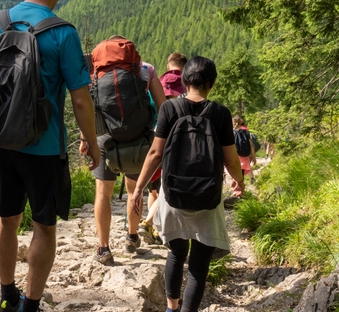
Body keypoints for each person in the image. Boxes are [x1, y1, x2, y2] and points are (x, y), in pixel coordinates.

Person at [0, 0, 100, 312]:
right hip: (44, 147)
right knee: (44, 227)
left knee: (6, 220)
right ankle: (31, 304)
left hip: (2, 141)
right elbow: (81, 101)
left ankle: (7, 293)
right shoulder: (63, 33)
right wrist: (93, 144)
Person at [127, 56, 245, 312]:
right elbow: (231, 159)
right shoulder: (221, 114)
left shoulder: (169, 110)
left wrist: (138, 189)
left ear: (184, 80)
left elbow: (155, 155)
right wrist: (239, 181)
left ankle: (171, 308)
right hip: (208, 197)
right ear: (211, 84)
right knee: (199, 265)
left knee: (176, 254)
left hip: (173, 196)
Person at [84, 52, 166, 265]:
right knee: (134, 190)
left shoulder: (96, 72)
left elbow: (87, 106)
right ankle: (131, 236)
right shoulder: (145, 69)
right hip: (137, 140)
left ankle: (104, 248)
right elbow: (163, 107)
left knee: (103, 194)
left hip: (105, 139)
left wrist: (85, 138)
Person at [139, 53, 188, 241]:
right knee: (169, 187)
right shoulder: (188, 84)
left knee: (155, 187)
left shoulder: (157, 82)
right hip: (179, 140)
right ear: (185, 65)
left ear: (168, 65)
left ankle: (153, 230)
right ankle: (150, 223)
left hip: (154, 137)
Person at [233, 116, 257, 184]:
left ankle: (238, 183)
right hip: (245, 154)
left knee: (236, 169)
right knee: (246, 167)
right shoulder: (246, 131)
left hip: (236, 154)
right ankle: (252, 179)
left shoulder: (233, 132)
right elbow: (251, 145)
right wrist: (253, 157)